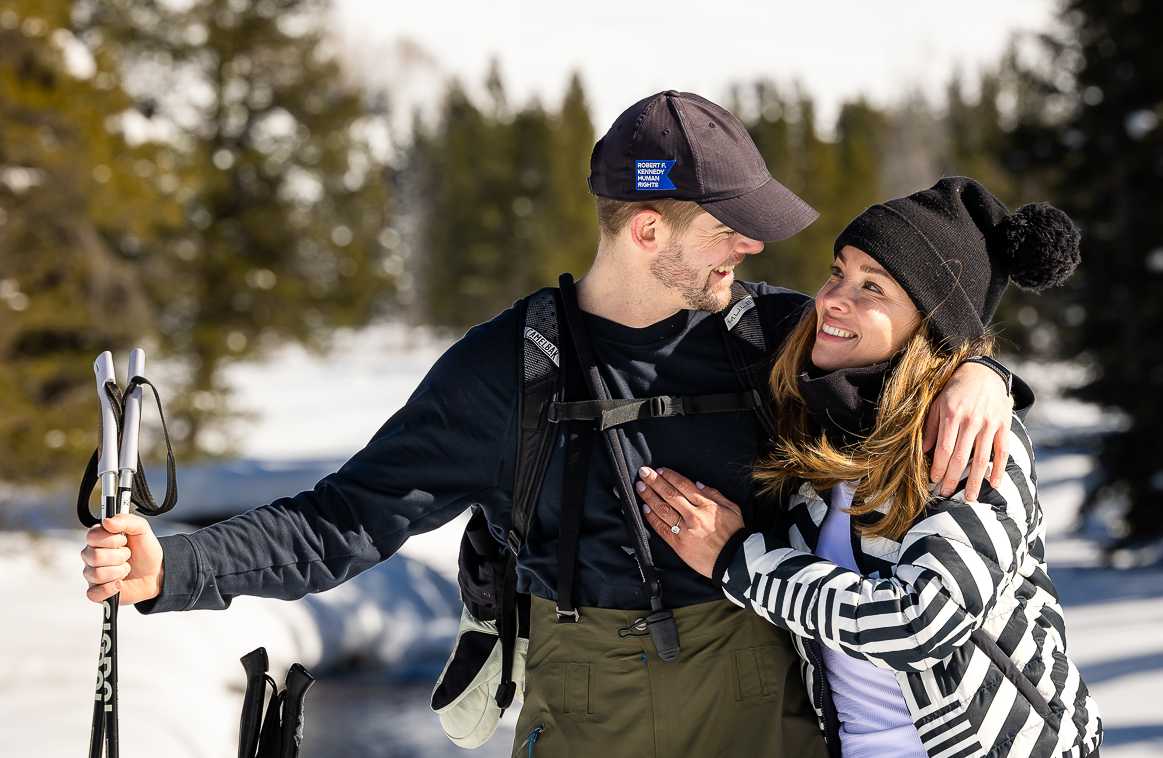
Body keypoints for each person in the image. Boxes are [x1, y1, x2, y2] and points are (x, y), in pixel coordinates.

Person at [82, 94, 1020, 758]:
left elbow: (911, 343)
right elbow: (347, 517)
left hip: (764, 707)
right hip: (586, 711)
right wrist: (178, 566)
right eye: (728, 226)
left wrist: (983, 371)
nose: (754, 246)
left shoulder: (776, 334)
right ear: (646, 229)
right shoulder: (506, 369)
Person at [635, 177, 1103, 758]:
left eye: (872, 287)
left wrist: (739, 563)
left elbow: (924, 620)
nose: (833, 298)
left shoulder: (970, 440)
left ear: (928, 325)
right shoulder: (823, 425)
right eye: (838, 271)